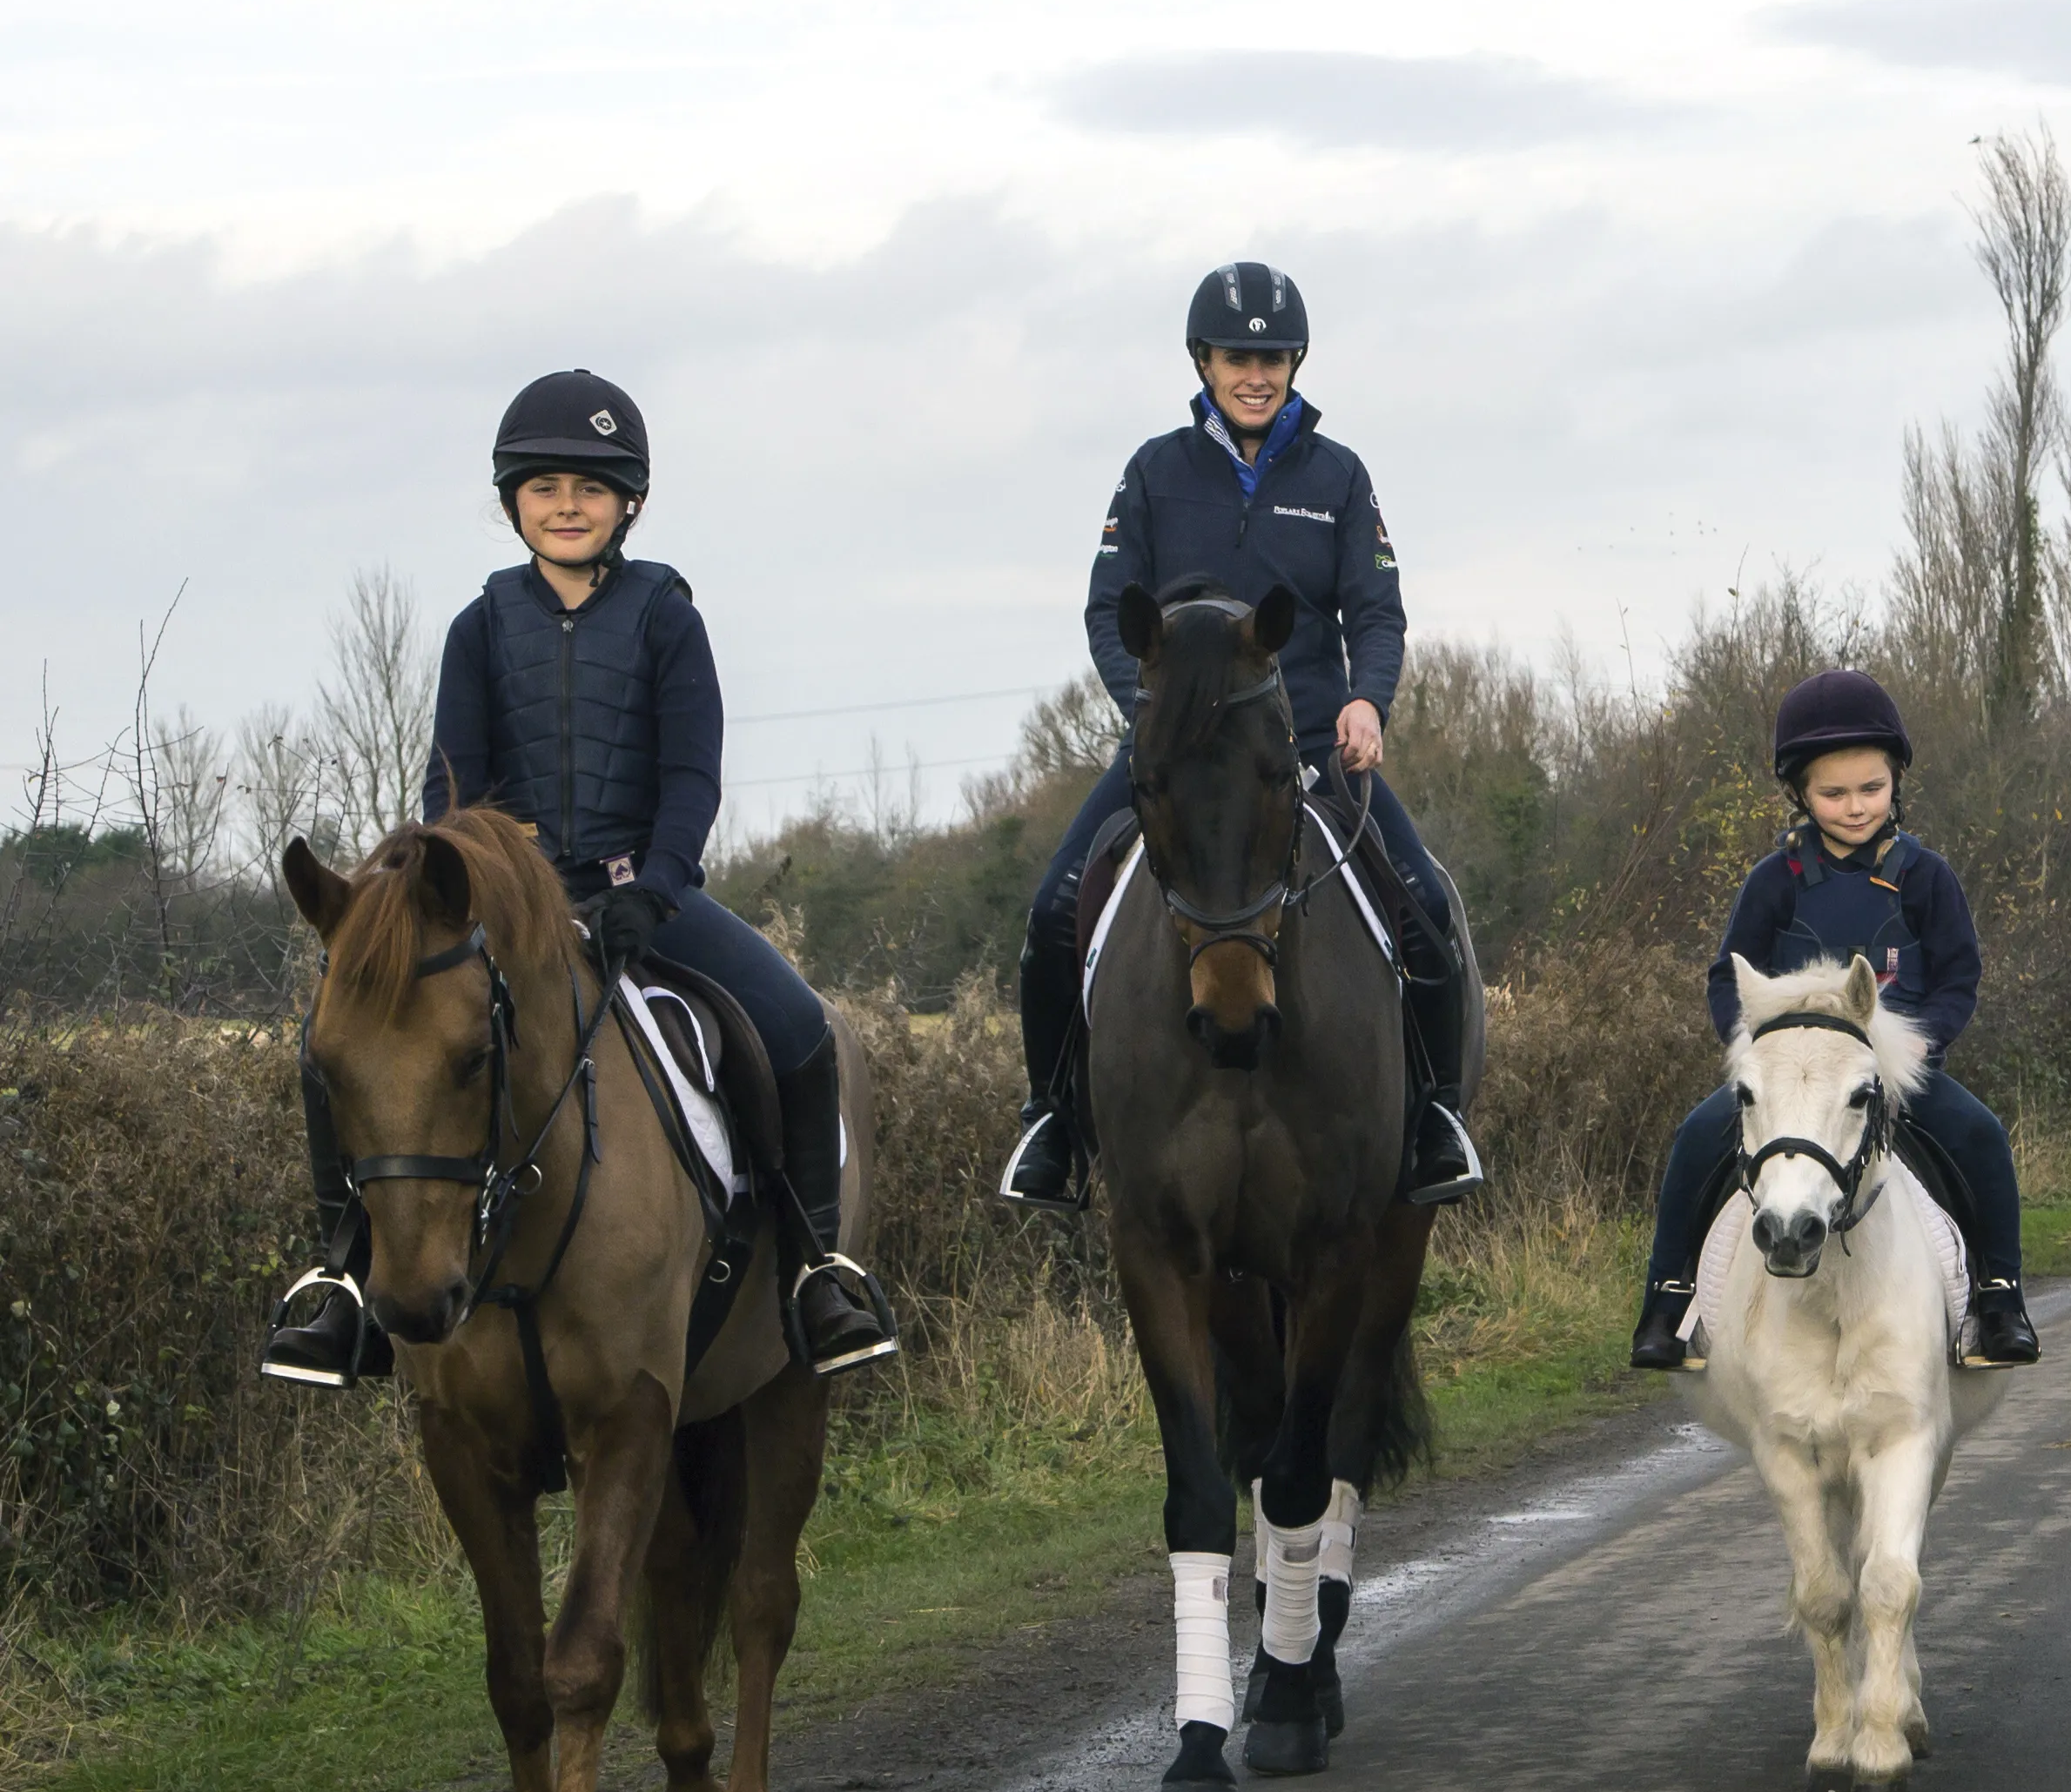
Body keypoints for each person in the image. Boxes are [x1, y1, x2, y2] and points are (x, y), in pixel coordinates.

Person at [259, 372, 898, 1386]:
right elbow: (452, 790)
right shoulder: (478, 630)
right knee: (326, 1044)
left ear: (627, 502)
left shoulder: (666, 621)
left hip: (641, 896)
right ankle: (343, 1282)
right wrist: (446, 889)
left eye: (590, 488)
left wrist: (655, 883)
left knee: (794, 1029)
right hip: (505, 911)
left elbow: (691, 779)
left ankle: (819, 1271)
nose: (567, 504)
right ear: (513, 500)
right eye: (545, 485)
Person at [999, 262, 1483, 1210]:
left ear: (1294, 361)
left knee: (1424, 903)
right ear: (1204, 362)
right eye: (1235, 356)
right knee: (1055, 911)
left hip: (1302, 747)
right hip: (1177, 755)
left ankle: (1433, 1117)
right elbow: (1110, 613)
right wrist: (1152, 712)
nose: (1253, 373)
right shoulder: (1152, 473)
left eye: (1271, 356)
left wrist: (1366, 702)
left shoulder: (1339, 477)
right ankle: (1052, 1123)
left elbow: (1376, 613)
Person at [1625, 670, 2036, 1373]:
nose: (1855, 807)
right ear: (1801, 794)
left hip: (1897, 1072)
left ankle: (1999, 1300)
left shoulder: (1926, 876)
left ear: (1895, 782)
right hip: (1793, 1075)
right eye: (1833, 793)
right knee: (1697, 1136)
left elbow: (1958, 977)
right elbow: (1729, 974)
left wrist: (1912, 1051)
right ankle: (1669, 1300)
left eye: (1870, 789)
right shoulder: (1773, 879)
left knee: (1980, 1134)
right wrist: (1756, 1050)